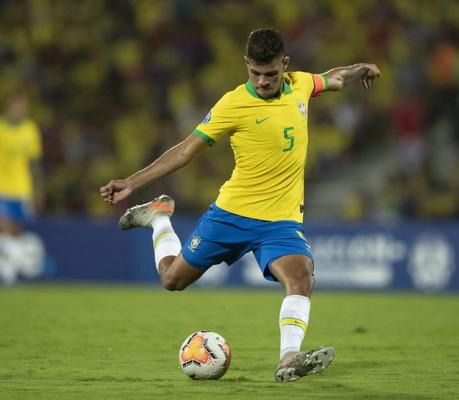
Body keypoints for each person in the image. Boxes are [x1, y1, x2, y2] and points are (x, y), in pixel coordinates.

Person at [100, 29, 380, 382]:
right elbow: (185, 151)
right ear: (247, 65)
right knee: (172, 280)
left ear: (285, 65)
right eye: (256, 74)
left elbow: (334, 78)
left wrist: (361, 68)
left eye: (271, 74)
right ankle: (159, 219)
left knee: (301, 276)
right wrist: (131, 182)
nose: (263, 82)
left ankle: (288, 359)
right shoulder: (232, 104)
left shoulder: (301, 85)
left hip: (280, 221)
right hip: (231, 215)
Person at [0, 92, 45, 285]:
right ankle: (8, 275)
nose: (21, 111)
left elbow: (35, 164)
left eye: (24, 108)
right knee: (6, 227)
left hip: (22, 188)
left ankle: (10, 272)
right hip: (2, 187)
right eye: (18, 107)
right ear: (9, 107)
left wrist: (38, 190)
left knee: (16, 231)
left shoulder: (30, 130)